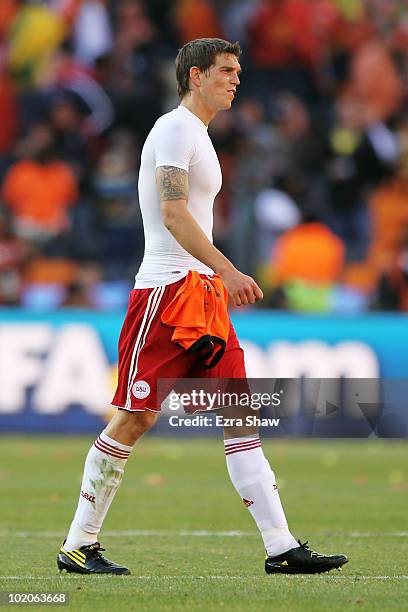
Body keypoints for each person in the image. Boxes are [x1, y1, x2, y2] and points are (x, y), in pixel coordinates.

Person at [57, 37, 348, 576]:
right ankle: (79, 543)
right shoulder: (173, 129)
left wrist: (216, 278)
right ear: (195, 75)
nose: (236, 79)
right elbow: (173, 215)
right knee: (134, 417)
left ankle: (281, 547)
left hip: (202, 296)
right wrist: (229, 269)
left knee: (240, 414)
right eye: (226, 70)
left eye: (238, 71)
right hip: (167, 295)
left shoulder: (199, 136)